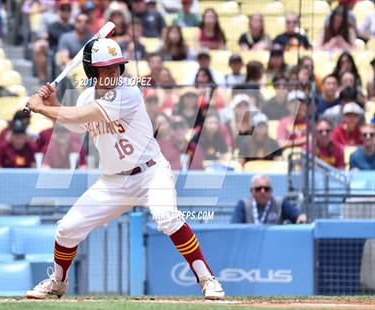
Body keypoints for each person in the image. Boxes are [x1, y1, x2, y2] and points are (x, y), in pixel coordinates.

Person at [24, 37, 224, 300]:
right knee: (66, 229)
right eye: (105, 68)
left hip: (151, 172)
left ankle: (207, 279)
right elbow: (76, 124)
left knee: (167, 218)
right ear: (92, 71)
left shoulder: (127, 93)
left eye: (116, 66)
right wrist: (54, 107)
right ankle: (58, 281)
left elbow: (83, 115)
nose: (112, 73)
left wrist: (40, 108)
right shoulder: (86, 96)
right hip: (113, 181)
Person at [230, 175, 307, 224]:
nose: (263, 192)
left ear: (271, 191)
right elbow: (234, 227)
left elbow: (299, 216)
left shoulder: (280, 203)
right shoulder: (243, 204)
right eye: (258, 189)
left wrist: (300, 219)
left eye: (266, 189)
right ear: (251, 191)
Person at [33, 0, 74, 83]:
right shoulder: (53, 26)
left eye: (68, 9)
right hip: (57, 51)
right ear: (58, 11)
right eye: (63, 9)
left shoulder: (73, 27)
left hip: (71, 51)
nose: (66, 12)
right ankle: (43, 78)